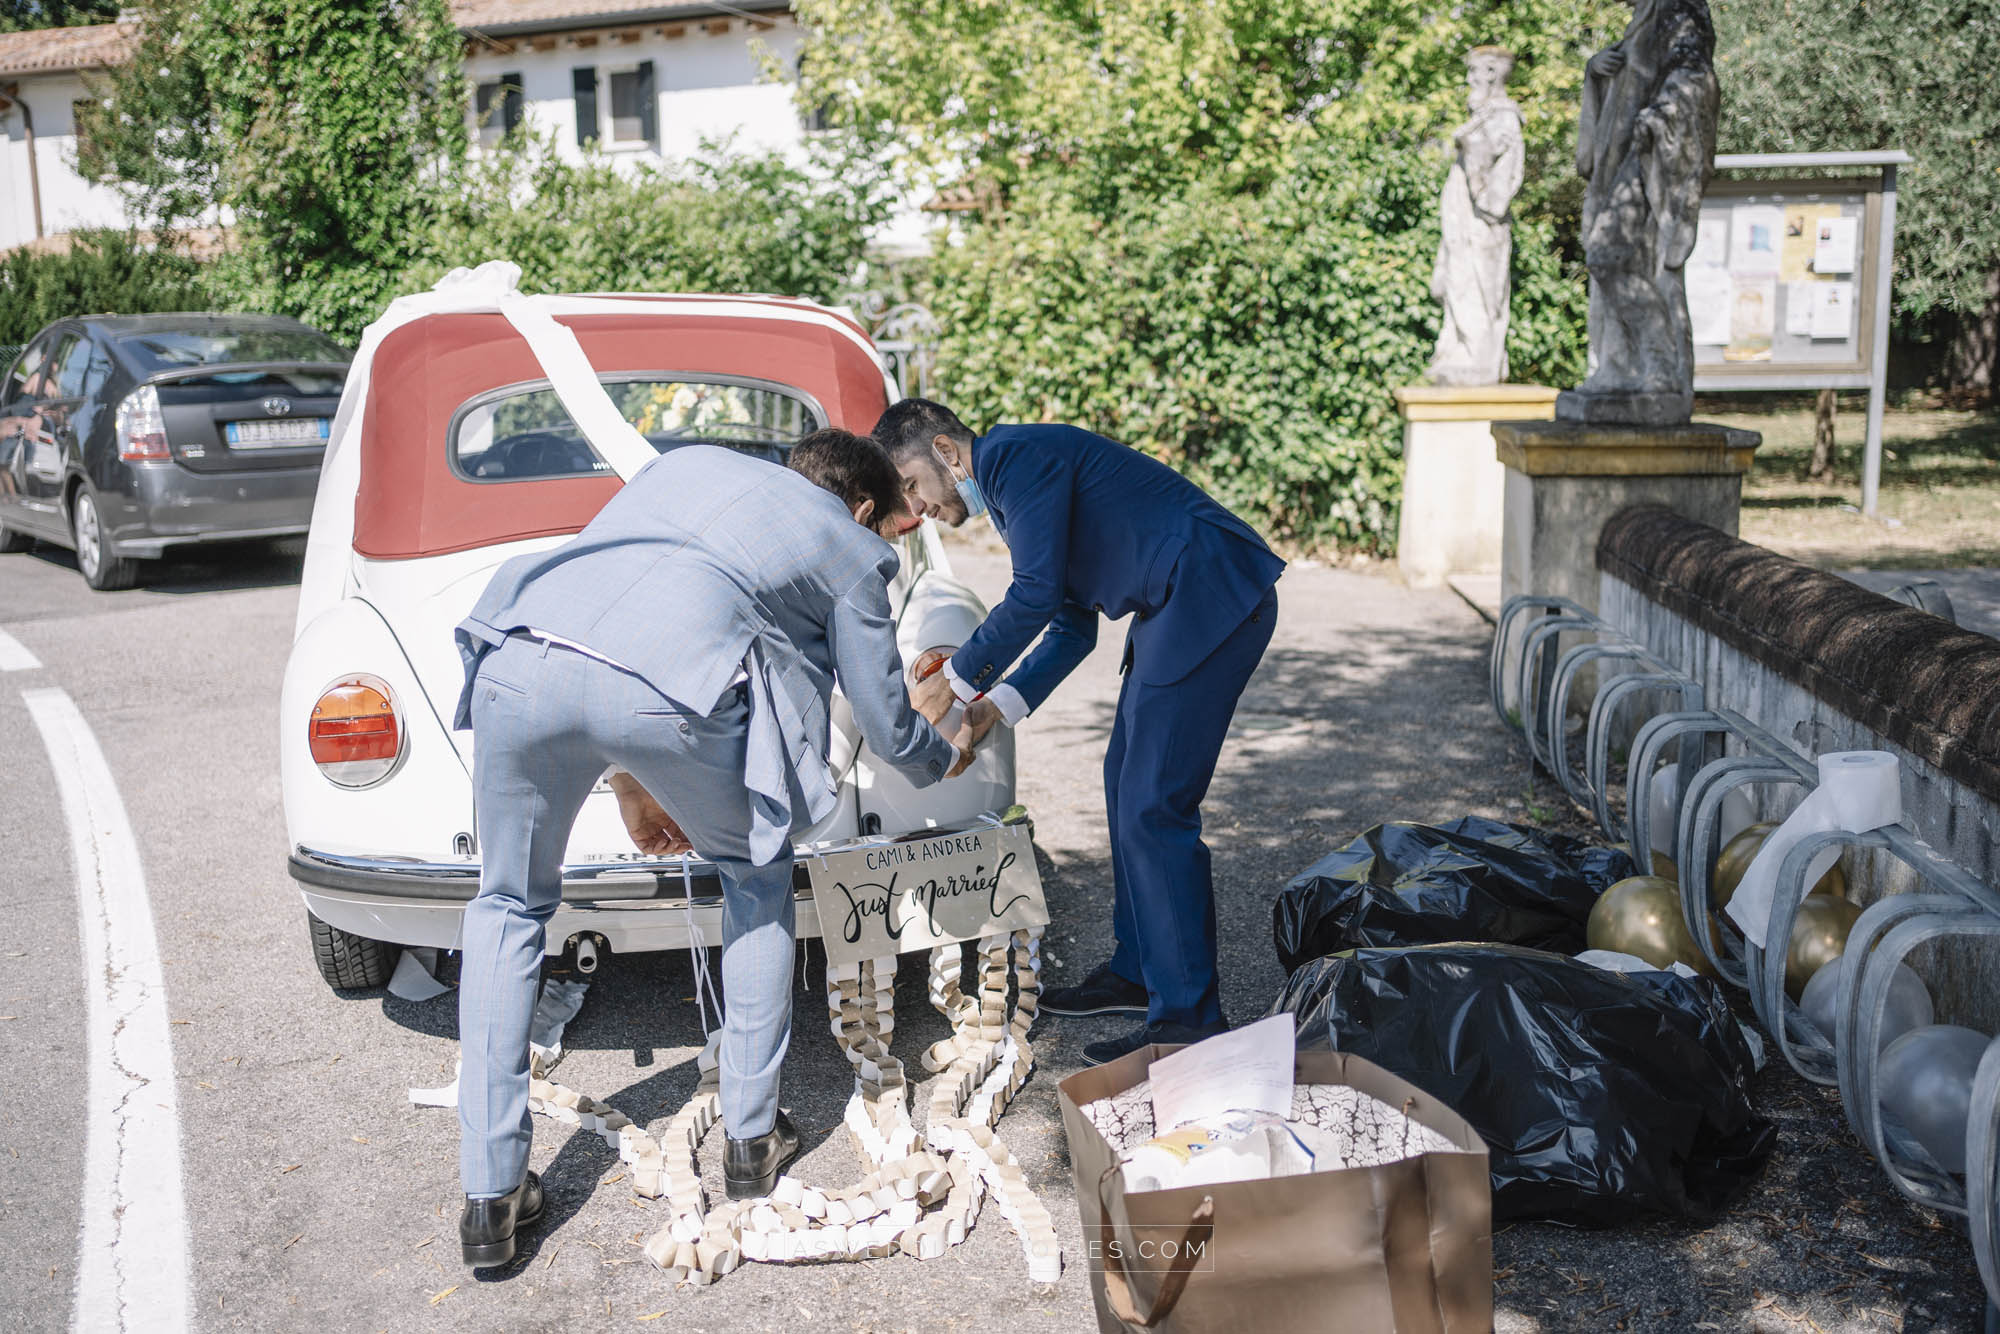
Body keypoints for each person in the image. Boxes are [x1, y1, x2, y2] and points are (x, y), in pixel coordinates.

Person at [451, 429, 973, 1269]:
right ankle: (750, 1141)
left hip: (519, 650)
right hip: (672, 693)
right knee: (755, 878)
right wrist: (945, 751)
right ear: (865, 508)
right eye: (886, 526)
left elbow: (612, 618)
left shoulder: (685, 465)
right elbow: (882, 720)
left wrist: (625, 776)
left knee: (508, 904)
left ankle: (489, 1194)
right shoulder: (850, 547)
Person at [874, 400, 1284, 1066]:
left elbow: (1033, 597)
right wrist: (987, 711)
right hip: (1175, 602)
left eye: (914, 486)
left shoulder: (1014, 459)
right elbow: (1071, 623)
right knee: (1124, 781)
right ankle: (1141, 968)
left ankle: (1188, 1020)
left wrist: (951, 683)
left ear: (946, 451)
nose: (916, 509)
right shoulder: (1010, 488)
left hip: (1210, 590)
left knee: (1154, 806)